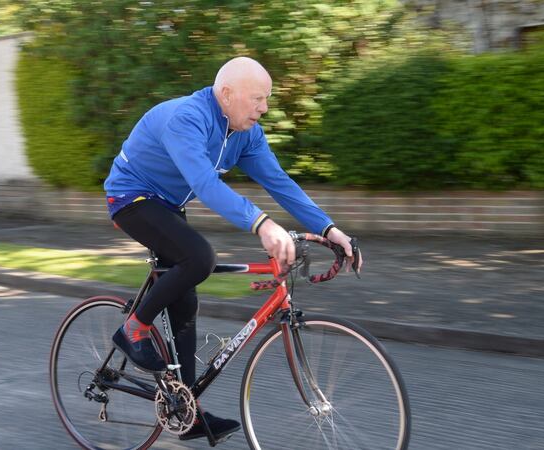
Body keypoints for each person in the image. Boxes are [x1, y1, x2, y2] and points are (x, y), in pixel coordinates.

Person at [103, 56, 361, 442]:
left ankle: (184, 410)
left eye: (267, 99)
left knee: (186, 301)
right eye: (258, 98)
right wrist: (263, 224)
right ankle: (134, 327)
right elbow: (206, 185)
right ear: (226, 94)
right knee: (200, 258)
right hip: (130, 197)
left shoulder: (245, 134)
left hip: (168, 205)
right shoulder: (187, 118)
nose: (265, 107)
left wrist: (331, 228)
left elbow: (280, 182)